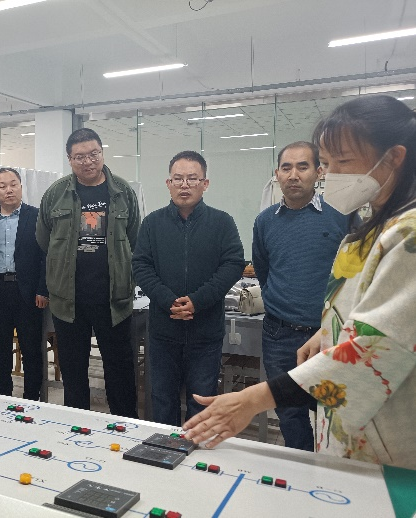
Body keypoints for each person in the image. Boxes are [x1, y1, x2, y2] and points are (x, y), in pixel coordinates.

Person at [184, 95, 416, 470]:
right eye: (328, 163)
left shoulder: (408, 238)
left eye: (342, 162)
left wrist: (251, 399)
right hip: (302, 357)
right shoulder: (377, 227)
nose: (331, 174)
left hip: (386, 453)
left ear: (393, 158)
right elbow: (356, 305)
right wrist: (328, 331)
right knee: (297, 427)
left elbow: (373, 352)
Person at [252, 142, 352, 451]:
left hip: (328, 335)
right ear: (277, 174)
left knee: (329, 412)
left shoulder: (342, 216)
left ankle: (327, 471)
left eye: (302, 166)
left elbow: (355, 275)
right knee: (289, 413)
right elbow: (263, 269)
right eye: (286, 168)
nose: (293, 175)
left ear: (319, 172)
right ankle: (301, 470)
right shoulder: (265, 221)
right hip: (279, 334)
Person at [133, 151, 245, 426]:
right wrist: (168, 300)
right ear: (168, 183)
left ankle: (195, 448)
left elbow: (233, 264)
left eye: (192, 179)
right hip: (163, 330)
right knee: (162, 399)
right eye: (178, 179)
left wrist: (198, 300)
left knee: (201, 399)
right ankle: (164, 446)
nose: (184, 185)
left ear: (205, 184)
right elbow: (141, 266)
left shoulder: (222, 222)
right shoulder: (152, 223)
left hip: (205, 331)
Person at [36, 128, 140, 418]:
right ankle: (78, 425)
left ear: (102, 153)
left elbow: (134, 239)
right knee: (73, 371)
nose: (88, 161)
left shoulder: (123, 192)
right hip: (68, 301)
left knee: (120, 370)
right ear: (70, 159)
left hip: (113, 299)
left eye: (94, 154)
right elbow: (43, 239)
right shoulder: (56, 194)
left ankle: (125, 424)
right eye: (79, 156)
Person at [0, 168, 48, 400]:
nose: (8, 190)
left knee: (31, 347)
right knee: (0, 347)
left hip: (28, 292)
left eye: (13, 184)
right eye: (2, 186)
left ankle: (32, 396)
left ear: (21, 186)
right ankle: (3, 393)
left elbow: (46, 256)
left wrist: (43, 289)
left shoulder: (37, 217)